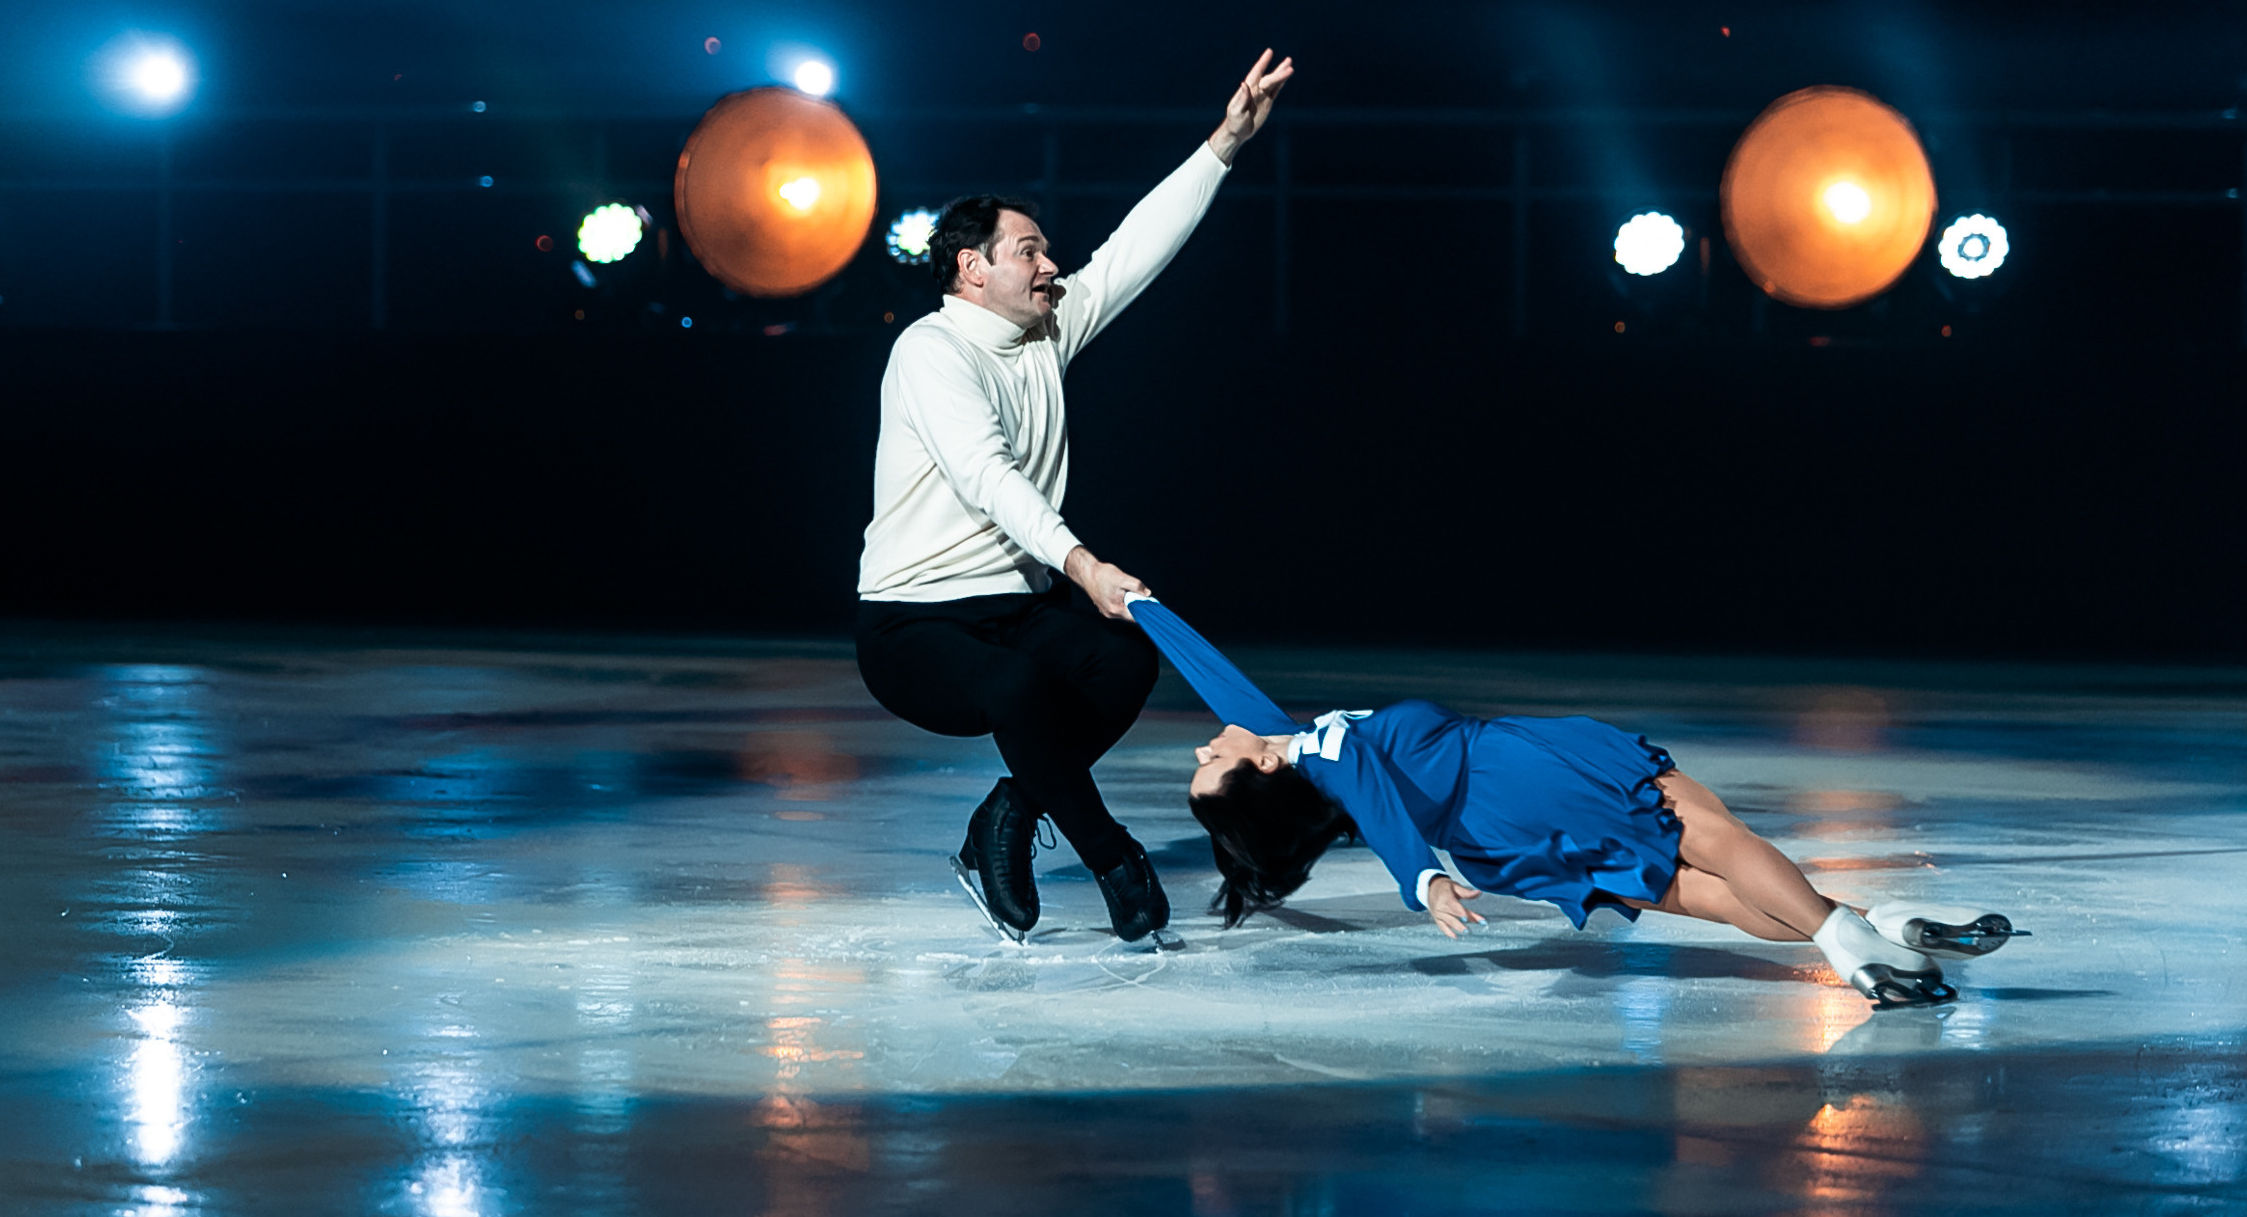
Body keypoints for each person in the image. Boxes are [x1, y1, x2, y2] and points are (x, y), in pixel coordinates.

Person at [853, 50, 1295, 946]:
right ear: (972, 269)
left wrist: (1224, 143)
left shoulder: (1046, 331)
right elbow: (985, 476)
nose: (1052, 264)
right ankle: (1110, 858)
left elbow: (1134, 249)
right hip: (913, 626)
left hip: (1016, 609)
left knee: (1123, 661)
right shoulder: (932, 352)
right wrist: (1083, 563)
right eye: (1030, 250)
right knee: (1015, 685)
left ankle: (1005, 821)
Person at [1185, 705, 2022, 1008]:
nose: (1199, 748)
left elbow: (1221, 682)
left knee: (1710, 897)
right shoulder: (1327, 755)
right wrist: (1422, 877)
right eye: (1210, 764)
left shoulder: (1290, 749)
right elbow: (1367, 780)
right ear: (1257, 770)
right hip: (1524, 777)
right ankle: (1853, 942)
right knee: (1720, 840)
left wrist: (1144, 603)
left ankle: (1886, 930)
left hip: (1501, 835)